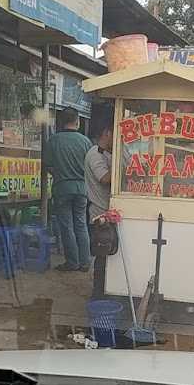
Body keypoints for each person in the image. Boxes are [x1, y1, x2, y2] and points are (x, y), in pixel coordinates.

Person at [45, 107, 92, 272]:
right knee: (81, 224)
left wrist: (60, 173)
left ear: (61, 121)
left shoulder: (54, 140)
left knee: (67, 227)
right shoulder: (85, 141)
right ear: (77, 121)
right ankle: (85, 262)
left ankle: (72, 262)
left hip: (62, 188)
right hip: (82, 189)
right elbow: (91, 166)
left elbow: (48, 165)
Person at [85, 116, 114, 297]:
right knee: (101, 256)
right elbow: (105, 179)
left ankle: (104, 291)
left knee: (110, 255)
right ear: (106, 133)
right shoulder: (95, 154)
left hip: (109, 211)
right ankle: (97, 295)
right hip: (99, 213)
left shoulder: (109, 153)